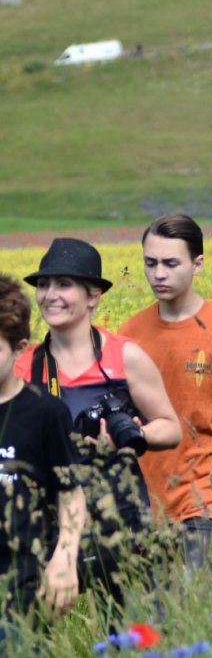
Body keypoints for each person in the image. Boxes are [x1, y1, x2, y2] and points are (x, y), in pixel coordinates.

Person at [16, 238, 181, 612]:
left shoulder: (125, 357)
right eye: (44, 285)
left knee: (130, 633)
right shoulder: (26, 367)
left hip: (121, 519)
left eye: (63, 284)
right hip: (48, 524)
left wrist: (132, 437)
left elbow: (171, 428)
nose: (49, 295)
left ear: (93, 296)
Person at [119, 215, 212, 569]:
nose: (159, 274)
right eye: (150, 263)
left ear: (197, 264)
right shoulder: (129, 334)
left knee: (191, 598)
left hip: (208, 491)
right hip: (147, 497)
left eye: (171, 263)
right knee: (153, 615)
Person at [0, 273, 87, 640]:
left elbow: (70, 493)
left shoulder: (45, 413)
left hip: (20, 593)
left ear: (20, 348)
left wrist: (65, 558)